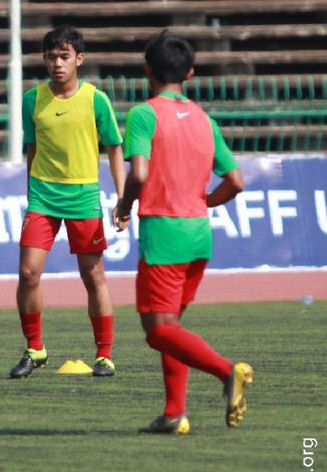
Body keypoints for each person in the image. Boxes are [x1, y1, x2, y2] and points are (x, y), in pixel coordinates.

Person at [115, 31, 253, 434]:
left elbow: (137, 172)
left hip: (163, 233)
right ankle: (174, 413)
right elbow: (237, 181)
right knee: (171, 326)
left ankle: (229, 371)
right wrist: (205, 202)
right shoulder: (205, 120)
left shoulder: (144, 114)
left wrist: (124, 207)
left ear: (146, 69)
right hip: (198, 235)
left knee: (157, 331)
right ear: (190, 72)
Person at [10, 25, 126, 379]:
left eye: (64, 57)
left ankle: (104, 355)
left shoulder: (95, 99)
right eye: (51, 57)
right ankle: (35, 349)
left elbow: (114, 148)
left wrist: (122, 197)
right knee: (28, 273)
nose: (57, 64)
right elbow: (32, 149)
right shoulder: (33, 100)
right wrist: (31, 192)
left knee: (93, 275)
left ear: (79, 59)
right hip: (43, 196)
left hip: (82, 195)